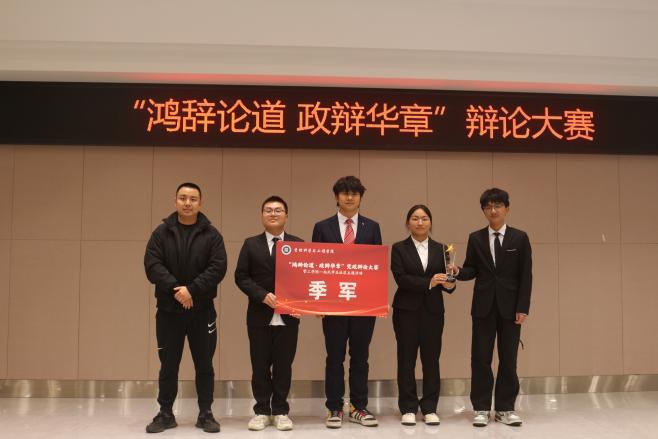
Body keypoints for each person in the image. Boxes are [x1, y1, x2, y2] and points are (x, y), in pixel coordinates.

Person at [144, 182, 227, 434]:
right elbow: (152, 265)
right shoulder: (161, 233)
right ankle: (165, 413)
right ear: (175, 201)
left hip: (202, 311)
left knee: (204, 364)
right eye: (183, 198)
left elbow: (218, 268)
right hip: (168, 312)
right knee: (168, 364)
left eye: (193, 199)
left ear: (200, 203)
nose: (187, 203)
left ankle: (205, 413)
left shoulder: (212, 235)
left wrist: (192, 290)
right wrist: (177, 291)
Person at [452, 188, 532, 427]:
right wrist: (457, 271)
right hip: (483, 307)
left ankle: (505, 408)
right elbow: (471, 269)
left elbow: (526, 275)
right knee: (480, 358)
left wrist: (523, 307)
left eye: (497, 205)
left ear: (507, 208)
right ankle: (481, 408)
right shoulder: (476, 238)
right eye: (488, 207)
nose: (493, 210)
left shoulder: (520, 238)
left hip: (510, 308)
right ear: (483, 211)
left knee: (508, 359)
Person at [311, 175, 382, 428]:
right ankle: (334, 407)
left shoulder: (372, 227)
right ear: (336, 197)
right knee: (334, 357)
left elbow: (376, 267)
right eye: (344, 193)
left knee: (360, 357)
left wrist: (377, 301)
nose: (349, 197)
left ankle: (358, 407)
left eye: (354, 193)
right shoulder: (322, 227)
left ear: (360, 198)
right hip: (333, 304)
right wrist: (318, 302)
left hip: (363, 304)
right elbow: (316, 265)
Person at [234, 196, 303, 431]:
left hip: (289, 317)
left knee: (284, 366)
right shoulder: (250, 244)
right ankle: (262, 410)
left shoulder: (298, 244)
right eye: (268, 210)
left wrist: (305, 304)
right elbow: (241, 276)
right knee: (260, 365)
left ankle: (281, 410)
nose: (273, 214)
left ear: (286, 215)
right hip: (259, 315)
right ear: (262, 215)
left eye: (278, 210)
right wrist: (262, 295)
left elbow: (306, 279)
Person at [391, 204, 456, 426]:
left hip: (433, 312)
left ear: (430, 222)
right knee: (406, 359)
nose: (420, 222)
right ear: (408, 223)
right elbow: (401, 278)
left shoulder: (443, 249)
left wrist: (450, 283)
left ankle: (430, 407)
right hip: (405, 312)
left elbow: (447, 281)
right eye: (415, 218)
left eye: (425, 218)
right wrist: (429, 282)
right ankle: (408, 407)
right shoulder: (399, 248)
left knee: (431, 360)